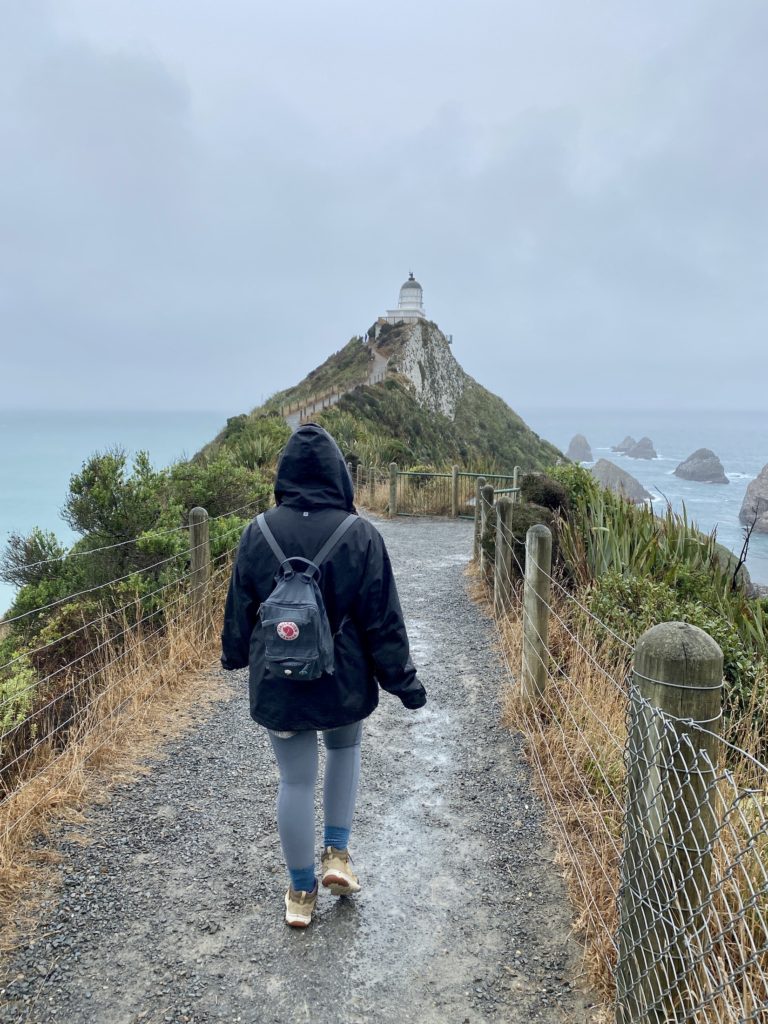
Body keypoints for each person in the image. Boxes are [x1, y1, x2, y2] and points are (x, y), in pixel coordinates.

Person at [220, 423, 426, 927]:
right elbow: (384, 622)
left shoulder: (257, 531)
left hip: (279, 681)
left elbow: (238, 610)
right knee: (343, 750)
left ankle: (298, 892)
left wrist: (235, 658)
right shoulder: (361, 535)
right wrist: (404, 684)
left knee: (293, 780)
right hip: (343, 682)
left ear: (284, 475)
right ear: (340, 476)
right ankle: (337, 854)